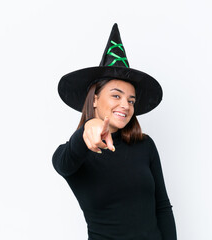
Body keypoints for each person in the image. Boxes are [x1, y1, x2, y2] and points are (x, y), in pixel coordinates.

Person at [52, 24, 177, 240]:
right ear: (95, 99)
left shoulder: (145, 145)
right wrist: (87, 130)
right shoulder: (75, 154)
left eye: (131, 100)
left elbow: (162, 207)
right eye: (116, 96)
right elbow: (63, 162)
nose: (126, 105)